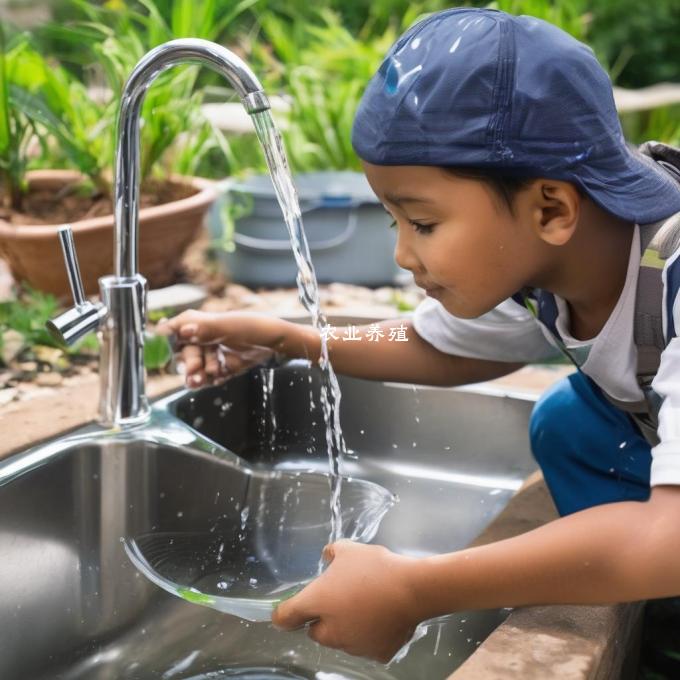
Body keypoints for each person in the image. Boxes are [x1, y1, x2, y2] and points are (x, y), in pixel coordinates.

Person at [156, 7, 680, 664]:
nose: (404, 255)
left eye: (423, 224)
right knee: (569, 425)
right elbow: (439, 345)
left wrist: (415, 588)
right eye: (392, 221)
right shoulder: (556, 254)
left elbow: (674, 536)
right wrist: (291, 340)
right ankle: (651, 622)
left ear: (551, 207)